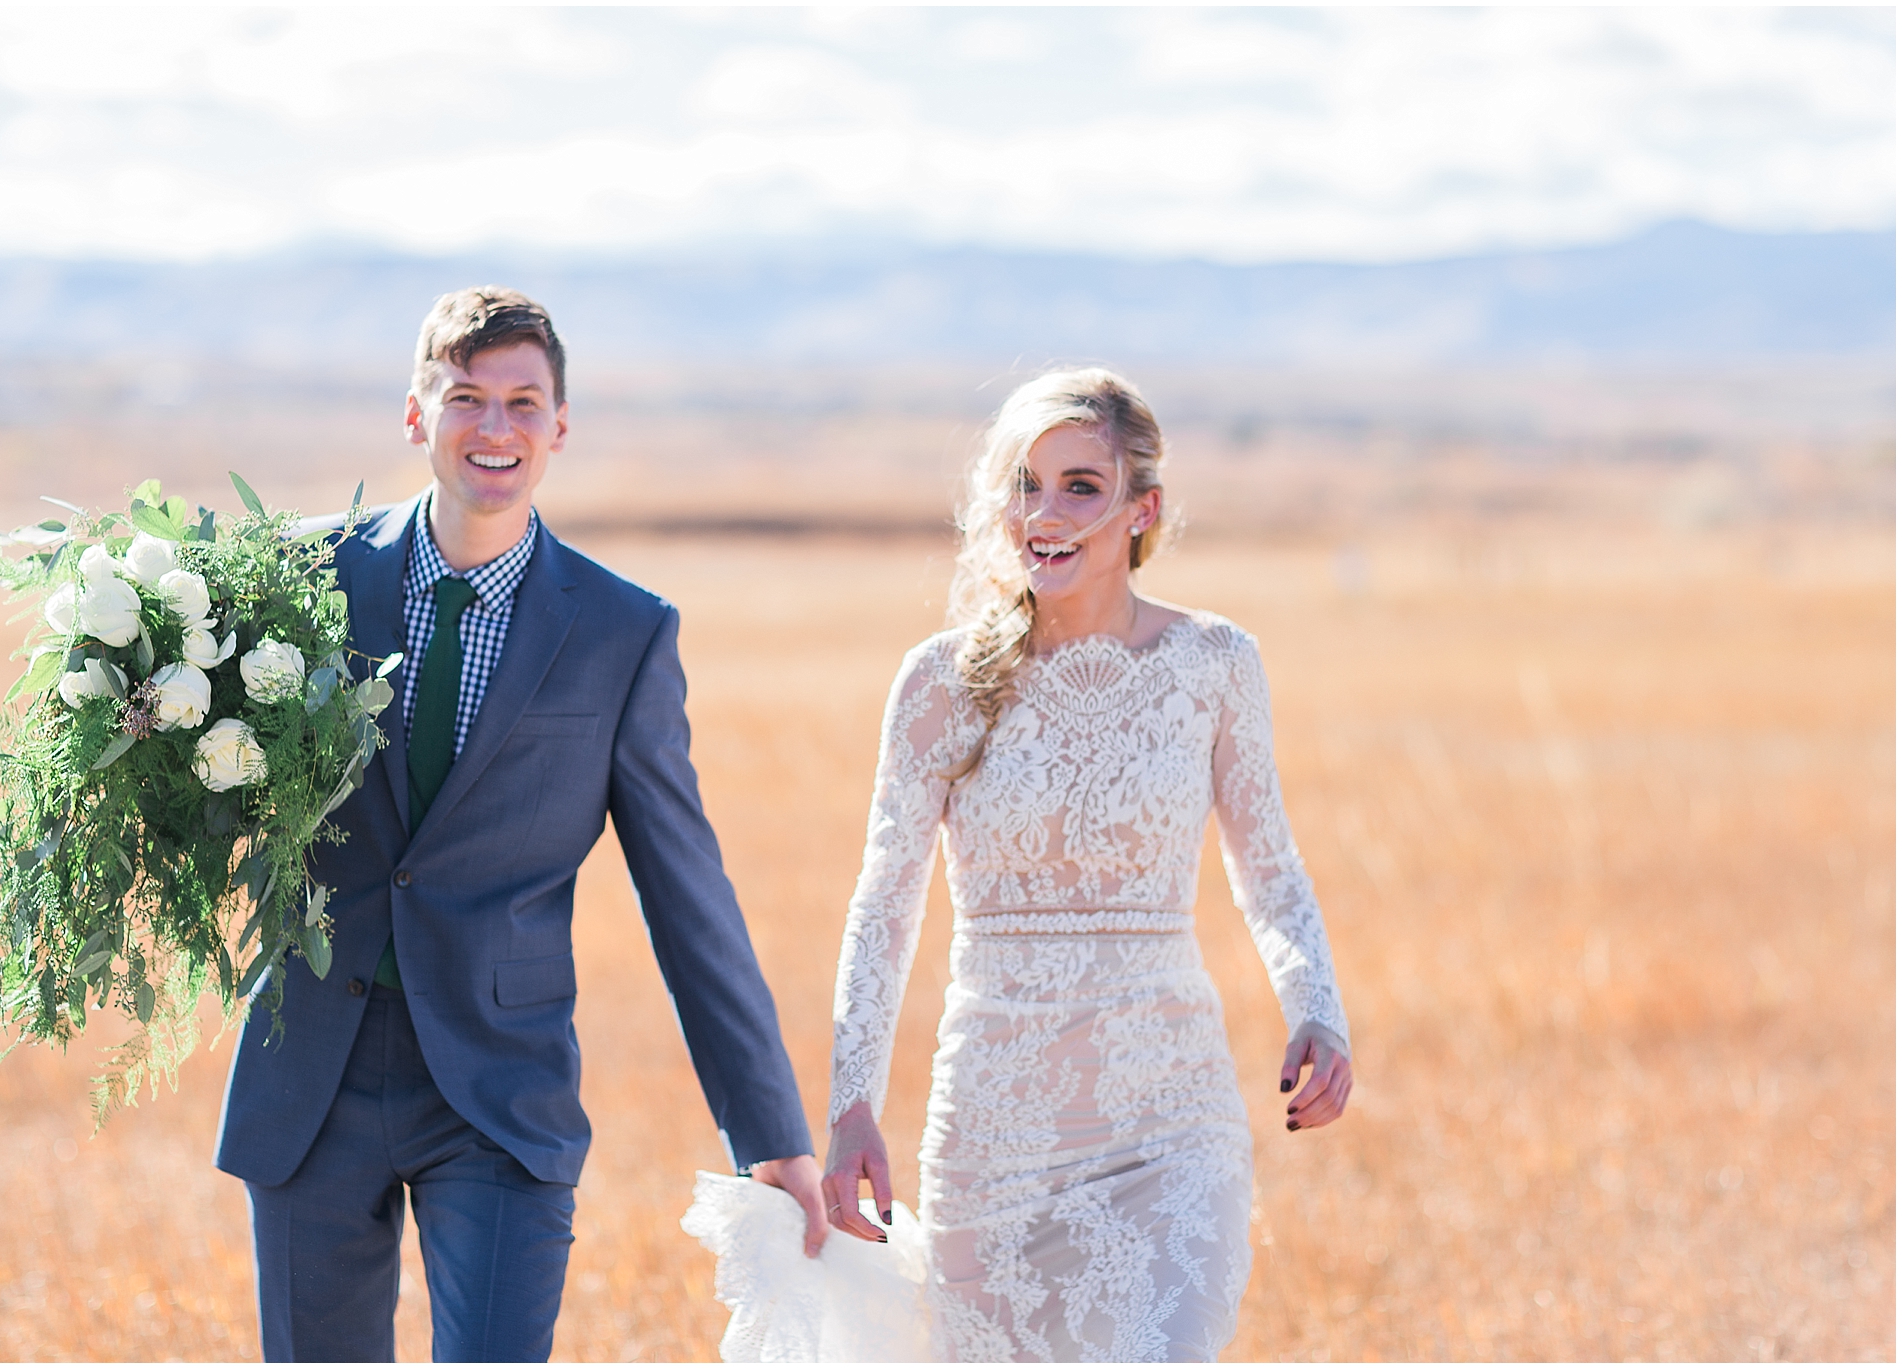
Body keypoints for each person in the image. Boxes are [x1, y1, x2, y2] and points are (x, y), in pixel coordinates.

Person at [685, 368, 1352, 1362]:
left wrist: (1316, 1005)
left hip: (1170, 1129)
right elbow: (883, 904)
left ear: (1142, 510)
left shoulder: (1213, 664)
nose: (1044, 513)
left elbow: (1270, 869)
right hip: (991, 1144)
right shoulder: (937, 684)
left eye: (1080, 486)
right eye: (1023, 484)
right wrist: (852, 1102)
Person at [214, 286, 828, 1362]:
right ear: (416, 415)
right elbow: (205, 775)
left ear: (557, 426)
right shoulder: (296, 582)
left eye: (521, 403)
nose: (492, 429)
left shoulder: (620, 633)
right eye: (465, 399)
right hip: (312, 1070)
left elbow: (686, 896)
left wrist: (769, 1133)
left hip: (499, 1093)